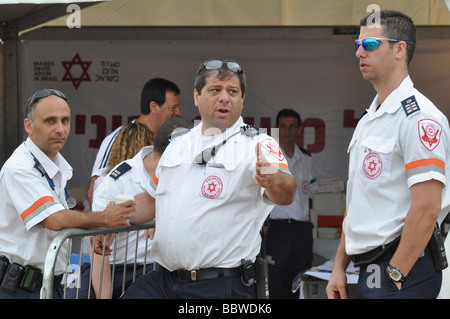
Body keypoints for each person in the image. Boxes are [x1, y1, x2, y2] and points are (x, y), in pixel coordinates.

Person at [118, 59, 297, 299]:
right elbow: (151, 202)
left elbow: (288, 192)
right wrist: (110, 220)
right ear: (196, 96)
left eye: (232, 91)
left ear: (242, 99)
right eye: (215, 90)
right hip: (163, 281)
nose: (224, 98)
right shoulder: (177, 144)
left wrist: (273, 179)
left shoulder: (258, 143)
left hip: (219, 285)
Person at [326, 10, 450, 299]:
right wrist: (338, 267)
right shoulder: (371, 118)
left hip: (403, 271)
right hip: (371, 268)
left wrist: (396, 274)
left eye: (369, 45)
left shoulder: (419, 118)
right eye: (356, 45)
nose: (359, 53)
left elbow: (426, 207)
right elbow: (358, 203)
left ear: (399, 49)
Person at [0, 89, 135, 299]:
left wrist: (95, 230)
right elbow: (55, 220)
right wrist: (105, 219)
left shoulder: (54, 163)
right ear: (29, 125)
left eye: (65, 120)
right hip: (17, 289)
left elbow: (60, 222)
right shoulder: (19, 167)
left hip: (47, 285)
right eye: (50, 121)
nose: (60, 129)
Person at [68, 117, 192, 299]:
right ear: (174, 152)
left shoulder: (190, 175)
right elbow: (99, 251)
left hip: (160, 269)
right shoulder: (116, 181)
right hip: (116, 268)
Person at [87, 77, 181, 206]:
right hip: (126, 222)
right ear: (154, 107)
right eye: (173, 107)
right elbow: (95, 190)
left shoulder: (172, 140)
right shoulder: (119, 137)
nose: (178, 112)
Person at [265, 108, 315, 299]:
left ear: (298, 129)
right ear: (276, 128)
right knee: (274, 280)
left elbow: (309, 195)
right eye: (283, 126)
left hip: (301, 229)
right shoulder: (269, 156)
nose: (287, 131)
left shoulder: (306, 157)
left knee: (298, 278)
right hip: (277, 228)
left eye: (292, 127)